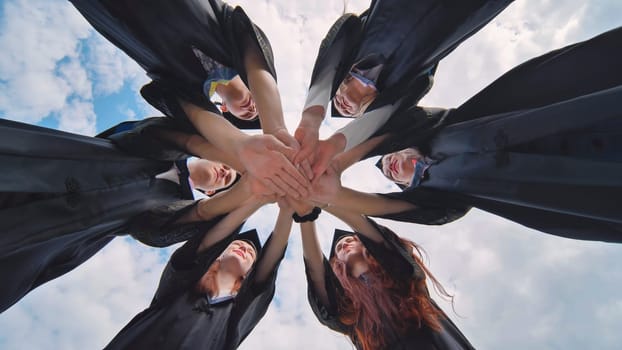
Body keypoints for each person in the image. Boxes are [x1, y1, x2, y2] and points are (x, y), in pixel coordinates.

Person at [311, 27, 622, 243]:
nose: (391, 167)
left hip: (573, 100)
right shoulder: (447, 197)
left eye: (390, 157)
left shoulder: (440, 126)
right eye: (397, 180)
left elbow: (404, 121)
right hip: (589, 180)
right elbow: (399, 208)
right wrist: (336, 196)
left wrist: (343, 157)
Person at [0, 116, 264, 313]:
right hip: (28, 165)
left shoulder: (166, 207)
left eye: (227, 180)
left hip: (34, 232)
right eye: (225, 165)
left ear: (209, 192)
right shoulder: (156, 145)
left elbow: (170, 225)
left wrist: (250, 192)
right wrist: (235, 154)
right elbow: (144, 134)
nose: (226, 172)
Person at [70, 0, 310, 196]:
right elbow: (258, 68)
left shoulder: (187, 88)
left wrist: (241, 145)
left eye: (247, 115)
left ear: (225, 110)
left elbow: (199, 116)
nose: (252, 108)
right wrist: (274, 128)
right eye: (257, 102)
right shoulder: (233, 41)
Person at [293, 0, 514, 179]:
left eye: (336, 96)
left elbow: (336, 47)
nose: (341, 105)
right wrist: (336, 144)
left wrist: (312, 116)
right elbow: (384, 114)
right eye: (350, 114)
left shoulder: (354, 43)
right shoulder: (406, 85)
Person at [105, 193, 294, 349]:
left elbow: (267, 269)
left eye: (250, 253)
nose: (244, 248)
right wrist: (258, 197)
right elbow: (205, 245)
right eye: (237, 244)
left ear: (249, 274)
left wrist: (288, 209)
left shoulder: (234, 317)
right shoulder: (179, 287)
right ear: (218, 255)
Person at [287, 198, 473, 350]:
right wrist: (305, 216)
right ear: (337, 267)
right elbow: (317, 275)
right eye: (338, 249)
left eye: (351, 239)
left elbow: (378, 239)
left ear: (366, 245)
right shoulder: (350, 313)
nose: (344, 244)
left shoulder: (404, 277)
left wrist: (324, 198)